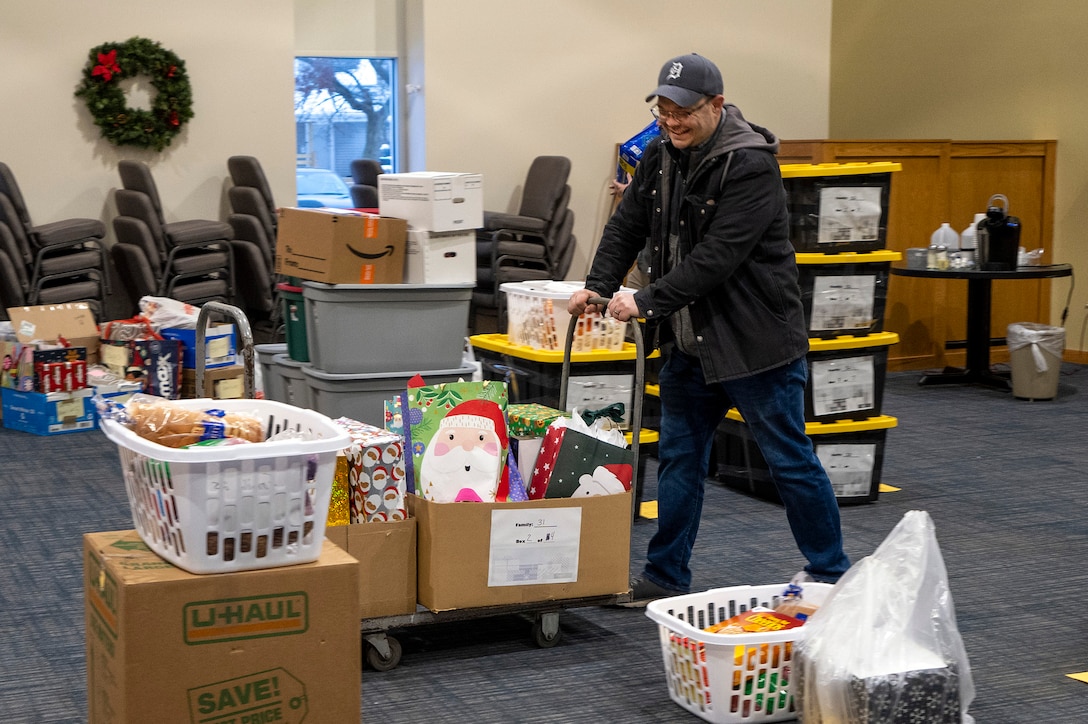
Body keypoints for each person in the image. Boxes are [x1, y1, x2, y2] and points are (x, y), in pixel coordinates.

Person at [568, 52, 851, 603]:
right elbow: (626, 225)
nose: (671, 121)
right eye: (662, 109)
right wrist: (599, 285)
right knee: (679, 459)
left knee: (788, 461)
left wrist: (645, 301)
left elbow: (718, 258)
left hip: (755, 345)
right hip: (690, 343)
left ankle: (832, 572)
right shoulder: (659, 153)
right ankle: (665, 576)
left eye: (683, 111)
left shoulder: (749, 165)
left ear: (716, 105)